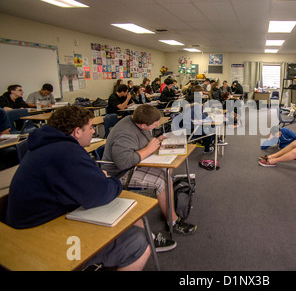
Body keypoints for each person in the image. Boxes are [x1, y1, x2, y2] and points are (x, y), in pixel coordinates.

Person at [4, 105, 157, 270]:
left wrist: (100, 180)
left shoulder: (47, 147)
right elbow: (101, 193)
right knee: (139, 242)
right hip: (42, 238)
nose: (93, 131)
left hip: (42, 222)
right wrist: (113, 181)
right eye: (90, 127)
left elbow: (87, 183)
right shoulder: (67, 153)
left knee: (135, 219)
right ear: (77, 132)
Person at [102, 104, 197, 235]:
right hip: (119, 173)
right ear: (143, 125)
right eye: (154, 125)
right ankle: (173, 221)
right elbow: (123, 162)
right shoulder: (125, 133)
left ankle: (167, 207)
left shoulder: (138, 121)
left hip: (135, 164)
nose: (156, 126)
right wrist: (148, 149)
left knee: (167, 171)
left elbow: (141, 143)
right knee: (162, 180)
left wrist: (157, 141)